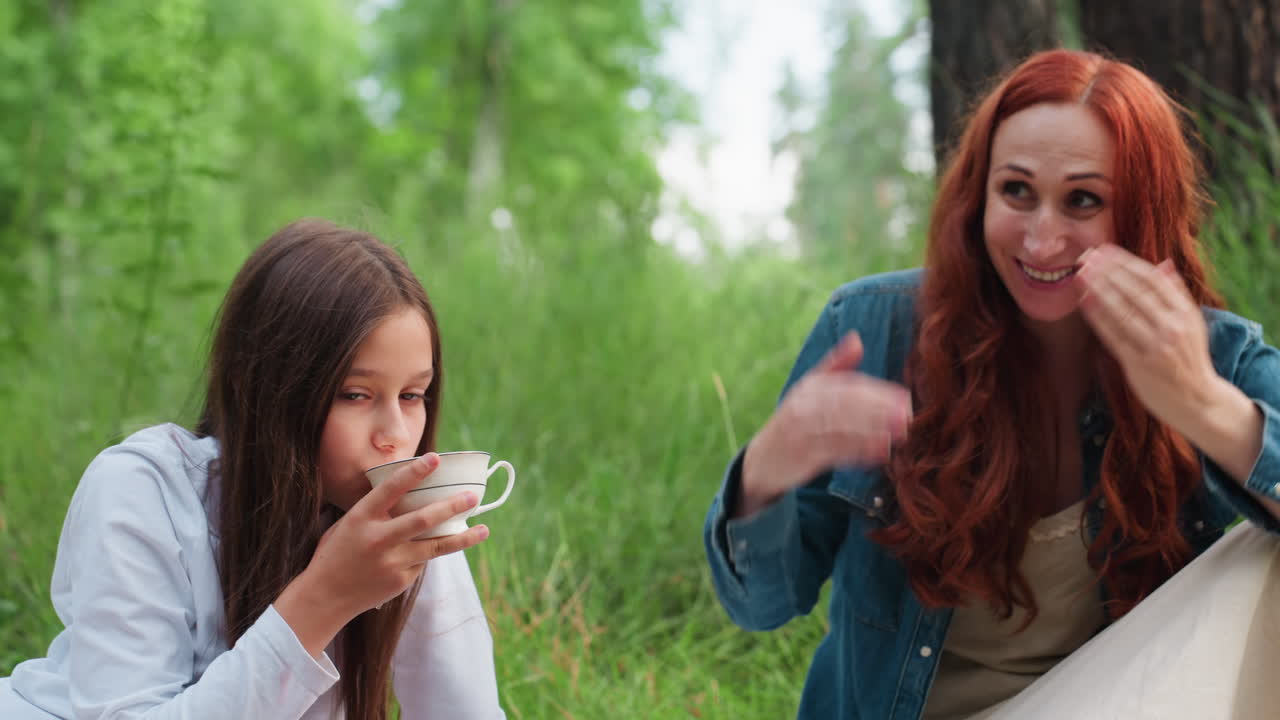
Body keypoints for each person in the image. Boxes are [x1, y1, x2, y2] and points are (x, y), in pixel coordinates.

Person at [704, 49, 1280, 720]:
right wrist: (766, 472)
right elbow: (761, 608)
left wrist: (1205, 407)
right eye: (1016, 191)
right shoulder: (874, 327)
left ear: (1140, 214)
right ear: (979, 194)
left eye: (1083, 201)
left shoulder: (1212, 352)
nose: (1042, 239)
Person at [0, 219, 506, 719]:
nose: (393, 433)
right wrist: (323, 598)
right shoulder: (143, 491)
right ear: (269, 390)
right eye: (354, 395)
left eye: (413, 395)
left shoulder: (408, 522)